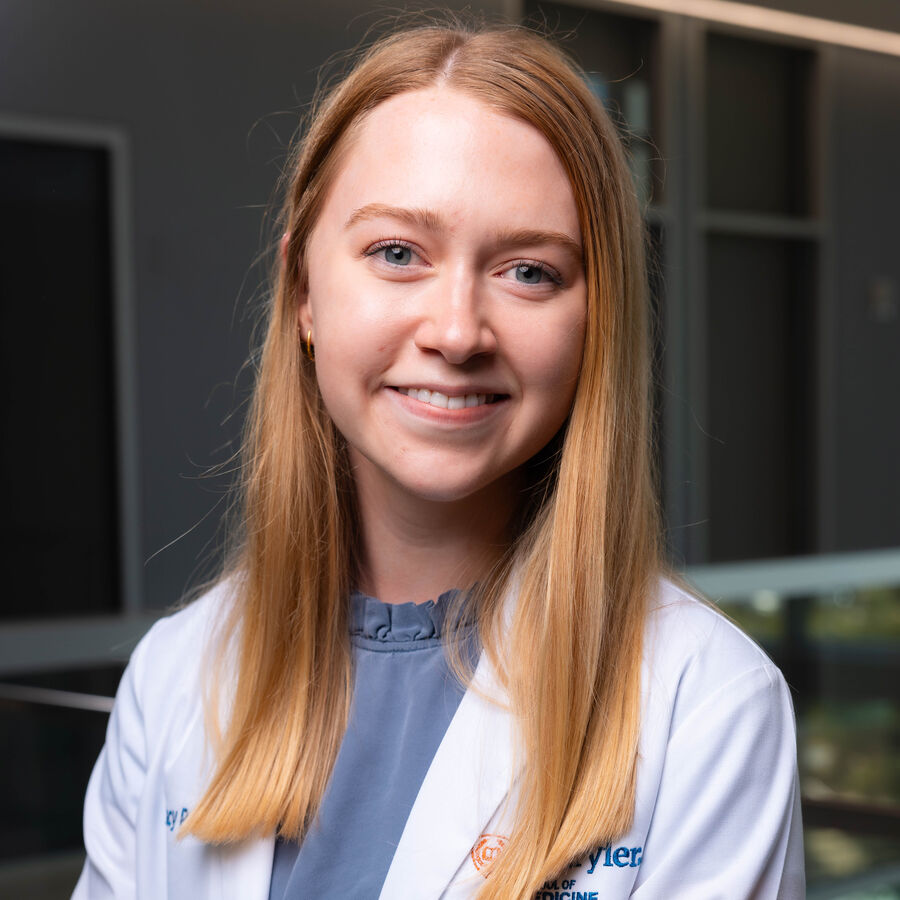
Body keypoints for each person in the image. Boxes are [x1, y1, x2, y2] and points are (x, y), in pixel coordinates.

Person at [74, 19, 805, 900]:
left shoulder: (708, 707)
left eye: (529, 271)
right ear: (303, 292)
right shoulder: (173, 678)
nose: (457, 332)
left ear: (597, 320)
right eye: (396, 254)